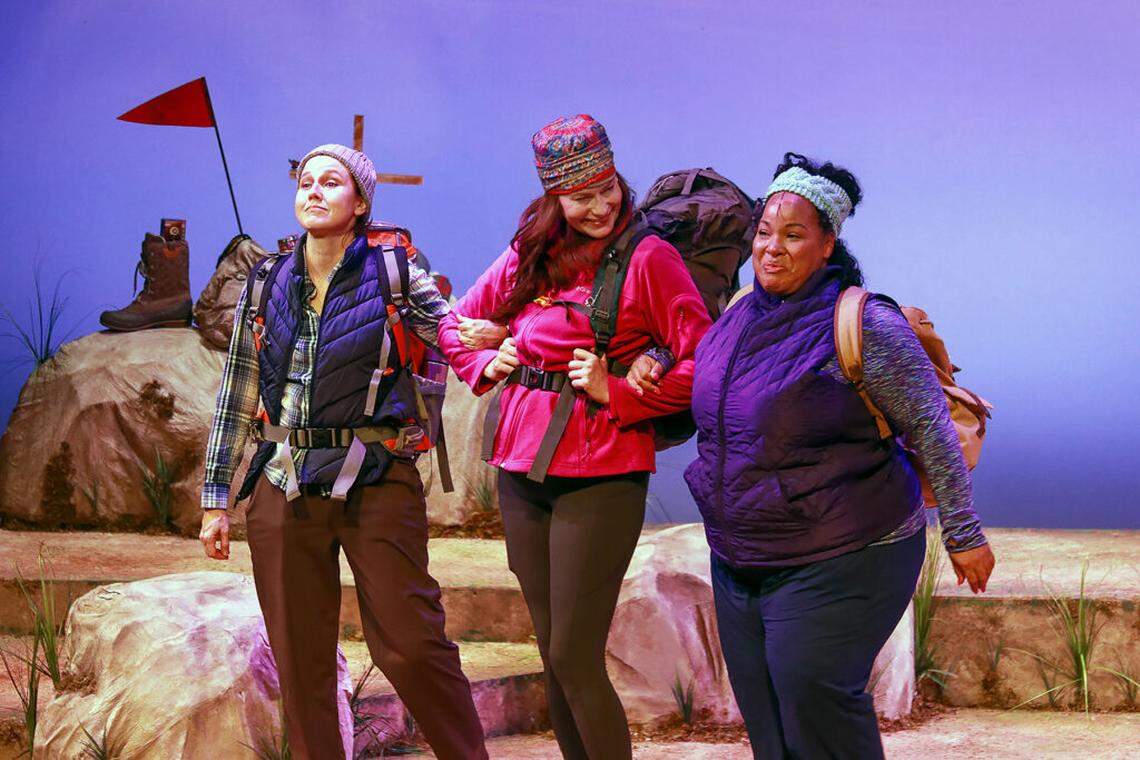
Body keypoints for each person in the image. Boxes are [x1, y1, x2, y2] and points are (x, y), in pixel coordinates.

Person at [683, 152, 996, 759]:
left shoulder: (863, 323)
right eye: (764, 232)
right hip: (743, 556)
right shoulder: (737, 315)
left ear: (827, 244)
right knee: (770, 722)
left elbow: (931, 428)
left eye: (793, 235)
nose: (772, 248)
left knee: (815, 697)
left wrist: (963, 533)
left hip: (848, 550)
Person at [198, 144, 488, 760]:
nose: (315, 191)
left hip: (374, 476)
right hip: (283, 480)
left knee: (409, 643)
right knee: (300, 656)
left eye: (332, 183)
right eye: (306, 181)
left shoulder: (393, 272)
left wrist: (486, 350)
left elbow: (447, 329)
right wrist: (216, 497)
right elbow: (238, 388)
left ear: (359, 204)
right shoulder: (267, 279)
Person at [438, 114, 711, 760]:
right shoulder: (533, 254)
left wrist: (614, 389)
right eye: (582, 196)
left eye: (608, 187)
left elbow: (705, 362)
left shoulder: (650, 257)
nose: (600, 205)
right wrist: (487, 362)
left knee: (573, 652)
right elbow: (455, 325)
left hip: (604, 470)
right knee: (553, 652)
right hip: (523, 467)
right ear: (554, 198)